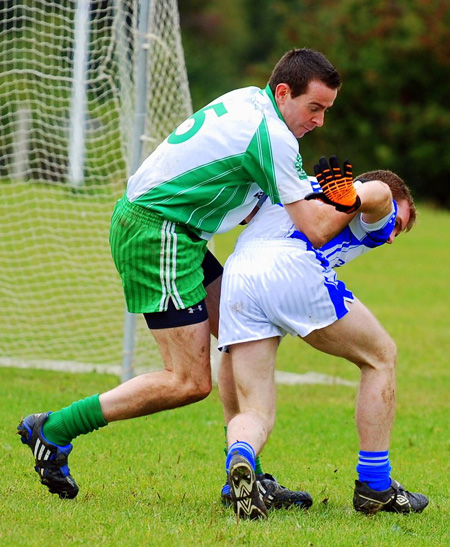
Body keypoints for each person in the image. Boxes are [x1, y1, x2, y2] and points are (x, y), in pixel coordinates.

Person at [16, 48, 354, 500]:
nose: (319, 122)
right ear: (283, 92)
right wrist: (353, 202)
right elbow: (313, 228)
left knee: (241, 334)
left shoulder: (249, 100)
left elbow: (256, 200)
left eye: (326, 111)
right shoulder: (271, 134)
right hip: (160, 233)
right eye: (314, 108)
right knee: (189, 381)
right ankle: (54, 429)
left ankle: (245, 474)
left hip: (176, 231)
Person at [217, 160, 429, 520]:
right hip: (291, 266)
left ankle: (240, 459)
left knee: (255, 410)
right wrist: (355, 196)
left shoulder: (293, 183)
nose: (391, 236)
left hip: (238, 274)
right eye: (398, 222)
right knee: (381, 356)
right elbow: (376, 193)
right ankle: (375, 486)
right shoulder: (365, 204)